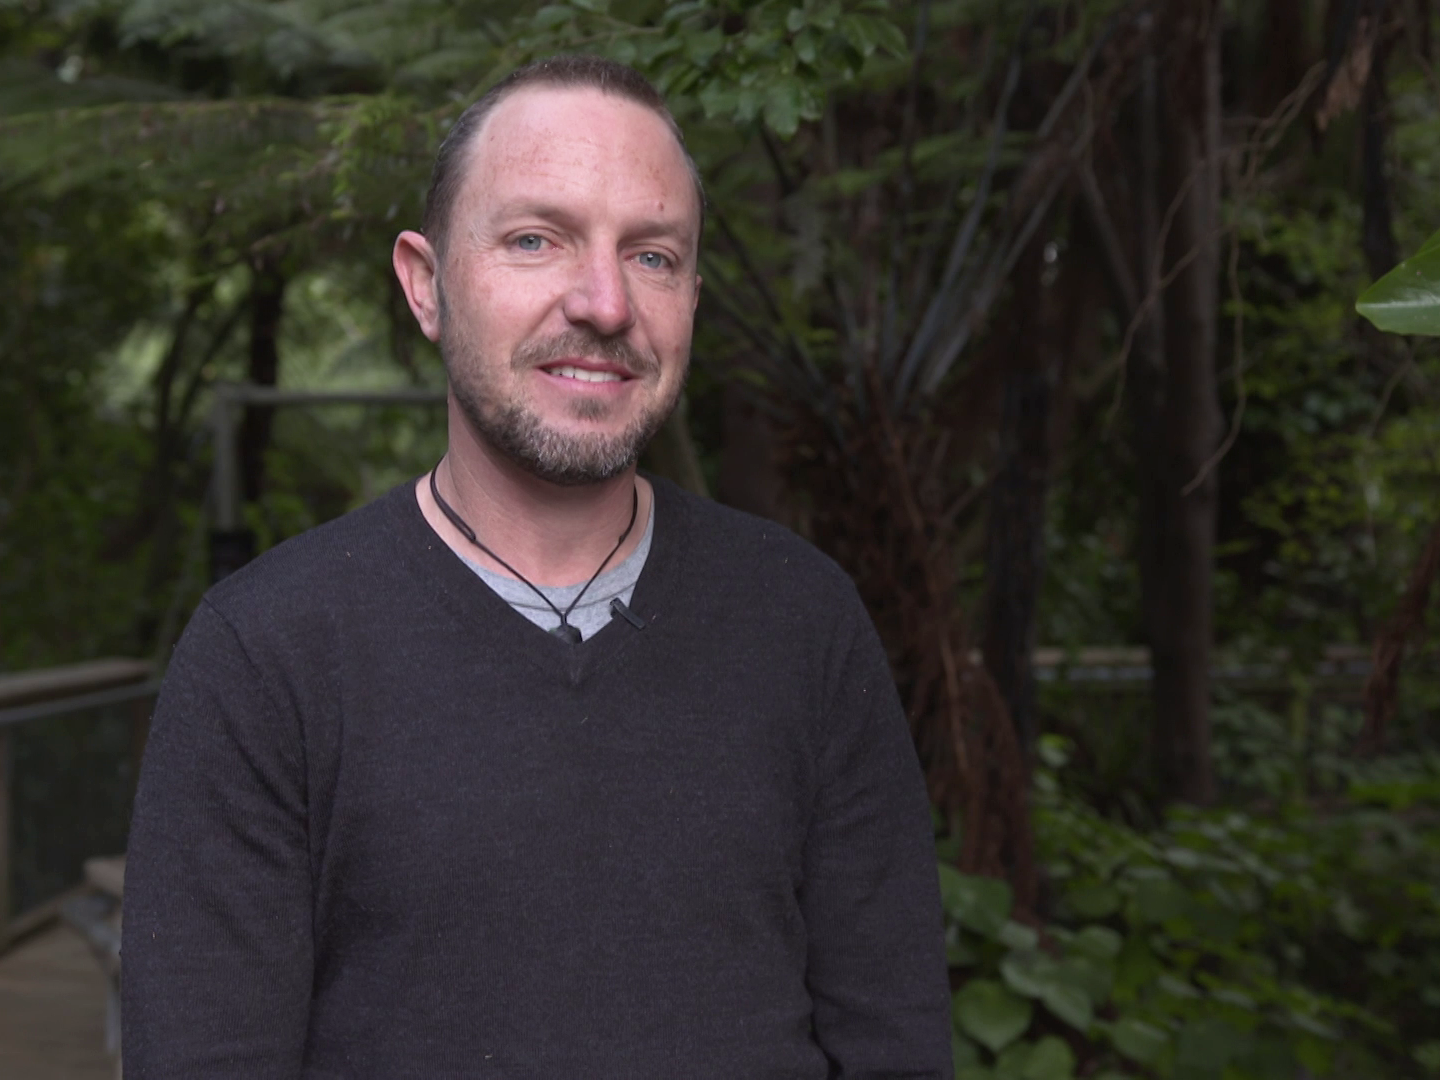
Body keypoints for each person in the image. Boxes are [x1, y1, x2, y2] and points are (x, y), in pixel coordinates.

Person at [122, 54, 952, 1078]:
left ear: (693, 295)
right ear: (426, 286)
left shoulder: (803, 623)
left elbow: (894, 1042)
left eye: (651, 256)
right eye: (534, 239)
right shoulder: (266, 655)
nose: (603, 302)